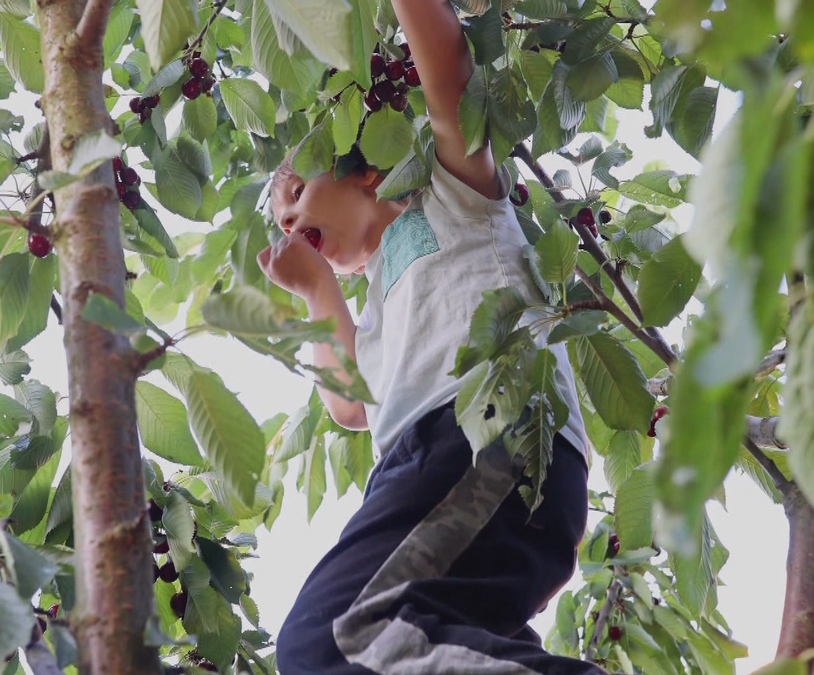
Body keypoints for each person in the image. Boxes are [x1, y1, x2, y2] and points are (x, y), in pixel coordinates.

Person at [256, 2, 605, 673]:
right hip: (448, 472)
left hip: (486, 429)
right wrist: (318, 293)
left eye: (297, 190)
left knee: (329, 636)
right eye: (281, 215)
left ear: (362, 164)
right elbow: (350, 405)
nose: (289, 215)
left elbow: (447, 75)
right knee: (426, 639)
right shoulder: (378, 302)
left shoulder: (449, 191)